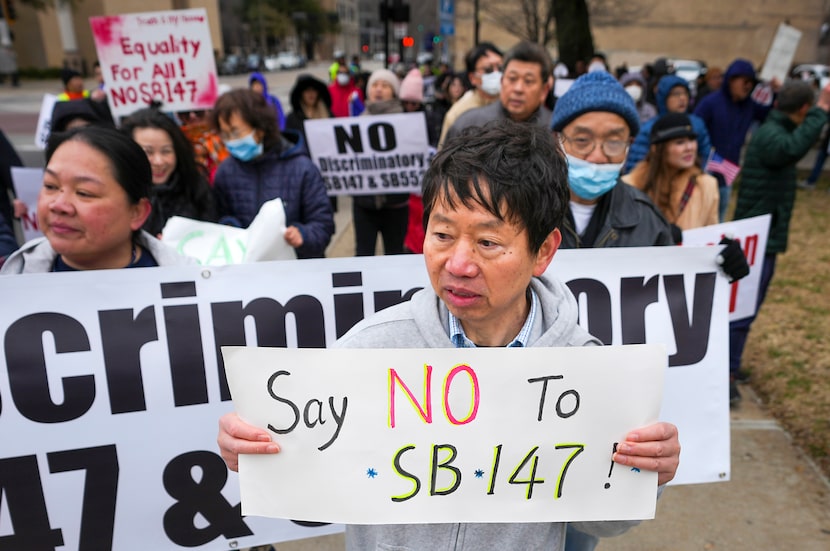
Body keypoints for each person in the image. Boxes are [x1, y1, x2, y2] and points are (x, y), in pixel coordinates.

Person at [216, 120, 682, 549]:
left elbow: (606, 523)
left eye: (488, 242)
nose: (457, 264)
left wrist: (645, 475)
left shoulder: (584, 368)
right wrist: (256, 451)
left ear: (543, 251)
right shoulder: (369, 349)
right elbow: (310, 477)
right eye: (442, 235)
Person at [728, 80, 830, 404]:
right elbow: (793, 148)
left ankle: (733, 363)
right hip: (757, 238)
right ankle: (726, 372)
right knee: (743, 308)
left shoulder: (774, 128)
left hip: (764, 235)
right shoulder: (774, 135)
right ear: (803, 109)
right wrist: (822, 112)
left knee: (750, 306)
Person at [1, 126, 191, 273]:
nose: (59, 205)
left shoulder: (193, 285)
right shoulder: (13, 279)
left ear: (137, 212)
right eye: (51, 186)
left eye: (84, 192)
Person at [551, 71, 675, 249]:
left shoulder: (647, 221)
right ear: (557, 141)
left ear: (629, 144)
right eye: (582, 141)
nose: (598, 157)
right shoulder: (523, 213)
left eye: (614, 142)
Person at [211, 89, 334, 259]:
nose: (231, 141)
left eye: (236, 132)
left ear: (260, 129)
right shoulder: (225, 172)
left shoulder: (301, 168)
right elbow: (217, 220)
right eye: (225, 134)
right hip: (246, 276)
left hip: (298, 274)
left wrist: (302, 235)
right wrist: (231, 229)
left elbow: (323, 225)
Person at [694, 59, 777, 221]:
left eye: (751, 82)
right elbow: (695, 127)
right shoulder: (711, 102)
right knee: (701, 211)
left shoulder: (750, 106)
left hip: (729, 167)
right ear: (731, 80)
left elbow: (769, 115)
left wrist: (776, 92)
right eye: (744, 81)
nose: (748, 86)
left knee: (721, 212)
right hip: (707, 165)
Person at [121, 107, 217, 236]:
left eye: (166, 151)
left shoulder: (195, 187)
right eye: (148, 152)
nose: (159, 161)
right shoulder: (117, 195)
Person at [623, 113, 719, 230]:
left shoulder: (707, 185)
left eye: (692, 140)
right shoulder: (630, 186)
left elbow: (711, 235)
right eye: (680, 142)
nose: (689, 148)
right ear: (657, 149)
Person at [444, 41, 553, 143]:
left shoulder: (556, 132)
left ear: (544, 90)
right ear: (502, 81)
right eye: (512, 78)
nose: (518, 89)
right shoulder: (468, 125)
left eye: (528, 81)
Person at [351, 68, 409, 256]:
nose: (379, 89)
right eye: (375, 85)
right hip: (364, 204)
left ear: (394, 91)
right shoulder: (358, 121)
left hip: (396, 205)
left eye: (385, 85)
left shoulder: (406, 122)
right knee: (363, 255)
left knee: (394, 255)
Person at [625, 75, 712, 175]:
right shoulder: (650, 128)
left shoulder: (697, 124)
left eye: (685, 93)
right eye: (676, 94)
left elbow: (706, 155)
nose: (682, 98)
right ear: (663, 98)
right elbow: (636, 165)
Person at [437, 42, 503, 147]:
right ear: (472, 77)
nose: (496, 74)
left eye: (500, 69)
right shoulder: (458, 113)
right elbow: (443, 156)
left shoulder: (514, 106)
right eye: (488, 70)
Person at [284, 73, 333, 144]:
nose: (311, 93)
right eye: (307, 90)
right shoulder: (292, 118)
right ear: (301, 94)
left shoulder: (329, 114)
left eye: (314, 90)